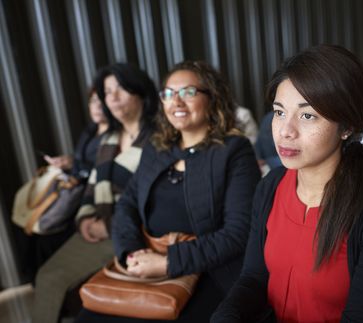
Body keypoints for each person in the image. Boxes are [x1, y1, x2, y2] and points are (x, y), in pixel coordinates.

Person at [212, 45, 363, 323]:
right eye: (279, 112)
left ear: (346, 127)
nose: (286, 131)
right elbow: (254, 277)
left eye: (307, 115)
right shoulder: (271, 186)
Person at [75, 60, 261, 322]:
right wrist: (131, 253)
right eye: (169, 94)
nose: (177, 102)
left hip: (207, 271)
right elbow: (127, 204)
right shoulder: (158, 146)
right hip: (147, 260)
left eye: (188, 92)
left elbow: (238, 233)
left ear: (212, 98)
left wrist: (168, 262)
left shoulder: (233, 151)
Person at [31, 63, 158, 323]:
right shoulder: (108, 138)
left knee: (55, 280)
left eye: (119, 89)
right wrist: (85, 218)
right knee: (46, 275)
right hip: (98, 225)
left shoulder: (158, 138)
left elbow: (156, 200)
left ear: (140, 92)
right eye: (107, 91)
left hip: (134, 233)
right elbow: (92, 185)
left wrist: (108, 227)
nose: (111, 97)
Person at [18, 87, 109, 282]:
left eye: (102, 101)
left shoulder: (115, 135)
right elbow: (81, 161)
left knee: (50, 236)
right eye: (93, 101)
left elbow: (103, 170)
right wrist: (67, 163)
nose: (97, 107)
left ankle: (56, 289)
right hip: (72, 192)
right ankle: (37, 283)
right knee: (32, 226)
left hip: (88, 197)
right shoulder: (91, 130)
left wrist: (76, 166)